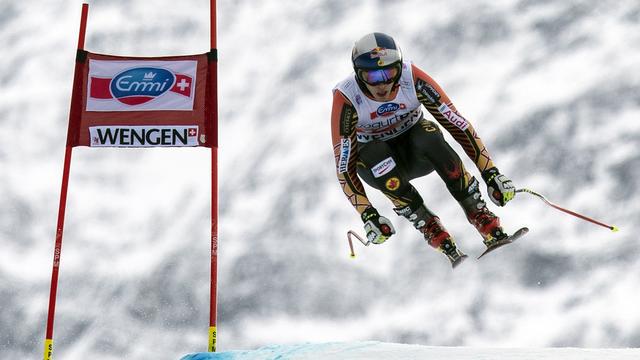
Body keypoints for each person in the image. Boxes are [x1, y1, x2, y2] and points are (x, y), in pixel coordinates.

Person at [330, 32, 516, 268]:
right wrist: (368, 214)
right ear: (359, 75)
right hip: (380, 166)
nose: (383, 84)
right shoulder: (347, 97)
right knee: (374, 153)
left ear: (399, 67)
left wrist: (491, 173)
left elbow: (457, 124)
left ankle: (482, 217)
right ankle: (433, 230)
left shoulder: (411, 78)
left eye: (389, 73)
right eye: (372, 76)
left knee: (427, 135)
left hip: (419, 152)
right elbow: (344, 165)